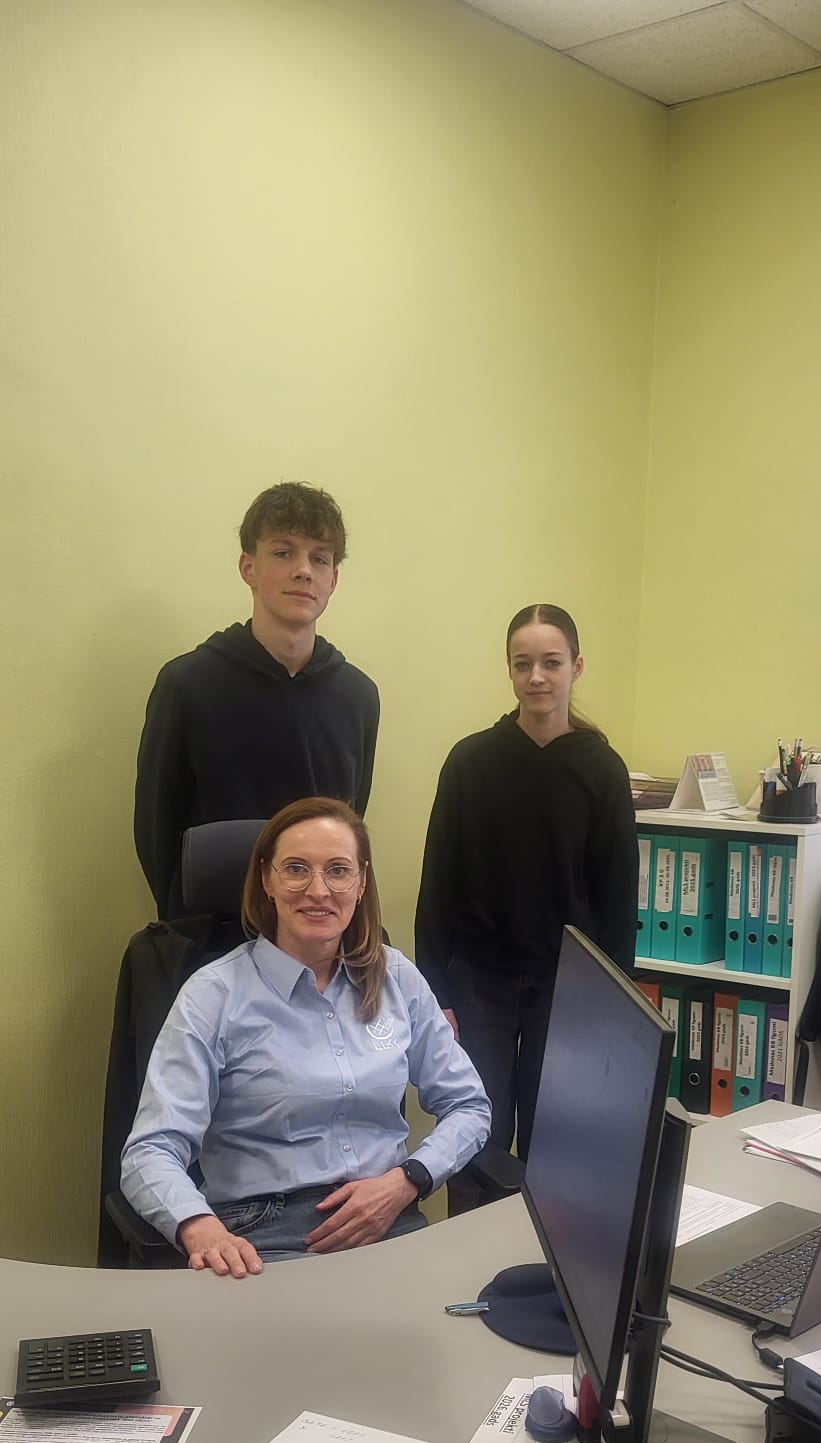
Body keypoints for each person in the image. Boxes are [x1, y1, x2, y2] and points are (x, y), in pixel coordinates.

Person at [121, 799, 491, 1276]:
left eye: (338, 870)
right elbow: (150, 1150)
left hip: (388, 1220)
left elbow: (469, 1105)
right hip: (260, 1236)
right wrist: (199, 1227)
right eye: (296, 869)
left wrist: (409, 1179)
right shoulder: (214, 994)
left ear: (361, 882)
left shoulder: (396, 977)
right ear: (267, 879)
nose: (318, 890)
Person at [415, 603, 638, 1162]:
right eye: (523, 664)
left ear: (576, 667)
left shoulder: (602, 769)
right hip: (478, 985)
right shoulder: (470, 762)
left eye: (551, 662)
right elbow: (437, 884)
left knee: (555, 1144)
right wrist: (436, 993)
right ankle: (478, 1227)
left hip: (567, 988)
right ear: (510, 670)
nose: (536, 677)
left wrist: (613, 1002)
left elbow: (617, 898)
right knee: (474, 1139)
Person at [134, 482, 380, 918]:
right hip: (218, 936)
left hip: (321, 936)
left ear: (333, 580)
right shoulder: (187, 685)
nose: (304, 571)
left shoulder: (358, 696)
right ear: (248, 567)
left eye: (319, 558)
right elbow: (157, 834)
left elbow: (349, 826)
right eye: (284, 552)